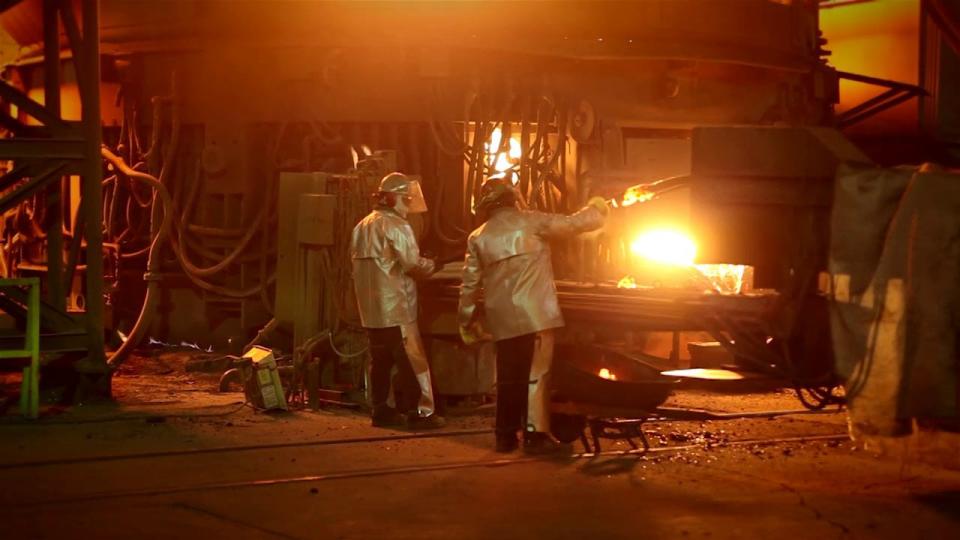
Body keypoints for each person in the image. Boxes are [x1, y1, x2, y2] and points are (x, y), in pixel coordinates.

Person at [458, 174, 608, 452]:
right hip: (536, 314)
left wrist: (466, 322)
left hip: (501, 318)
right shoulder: (532, 221)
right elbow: (573, 224)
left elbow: (468, 286)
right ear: (513, 198)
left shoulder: (478, 237)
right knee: (536, 374)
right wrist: (597, 208)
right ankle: (534, 435)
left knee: (507, 377)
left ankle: (504, 436)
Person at [351, 172, 445, 429]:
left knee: (379, 362)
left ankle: (381, 410)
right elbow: (412, 264)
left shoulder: (362, 226)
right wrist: (433, 265)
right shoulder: (396, 226)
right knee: (412, 361)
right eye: (408, 199)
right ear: (398, 199)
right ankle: (421, 413)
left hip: (371, 311)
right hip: (397, 308)